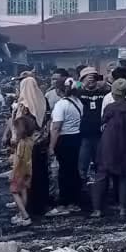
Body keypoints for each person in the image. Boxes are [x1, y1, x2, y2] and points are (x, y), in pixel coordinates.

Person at [94, 80, 126, 217]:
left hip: (109, 143)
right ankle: (123, 208)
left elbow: (103, 120)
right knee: (124, 175)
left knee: (102, 174)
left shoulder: (109, 108)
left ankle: (97, 209)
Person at [15, 76, 53, 219]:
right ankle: (42, 204)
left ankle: (27, 207)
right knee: (41, 174)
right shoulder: (43, 101)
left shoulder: (24, 106)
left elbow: (20, 128)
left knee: (26, 174)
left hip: (27, 145)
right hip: (41, 144)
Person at [49, 78, 85, 214]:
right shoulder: (78, 102)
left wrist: (51, 146)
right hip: (76, 137)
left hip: (64, 139)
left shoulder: (61, 104)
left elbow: (56, 128)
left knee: (64, 172)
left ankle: (64, 203)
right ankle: (75, 201)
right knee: (73, 170)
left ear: (59, 90)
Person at [4, 95, 40, 227]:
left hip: (20, 169)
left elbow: (18, 159)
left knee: (14, 191)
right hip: (28, 169)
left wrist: (13, 172)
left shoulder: (21, 144)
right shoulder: (31, 141)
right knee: (24, 190)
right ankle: (22, 214)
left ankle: (24, 215)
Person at [78, 67, 106, 179]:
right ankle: (81, 190)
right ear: (82, 80)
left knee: (101, 165)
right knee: (82, 166)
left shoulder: (105, 93)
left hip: (100, 135)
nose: (91, 80)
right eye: (87, 78)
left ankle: (100, 190)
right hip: (83, 136)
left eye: (93, 78)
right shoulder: (78, 94)